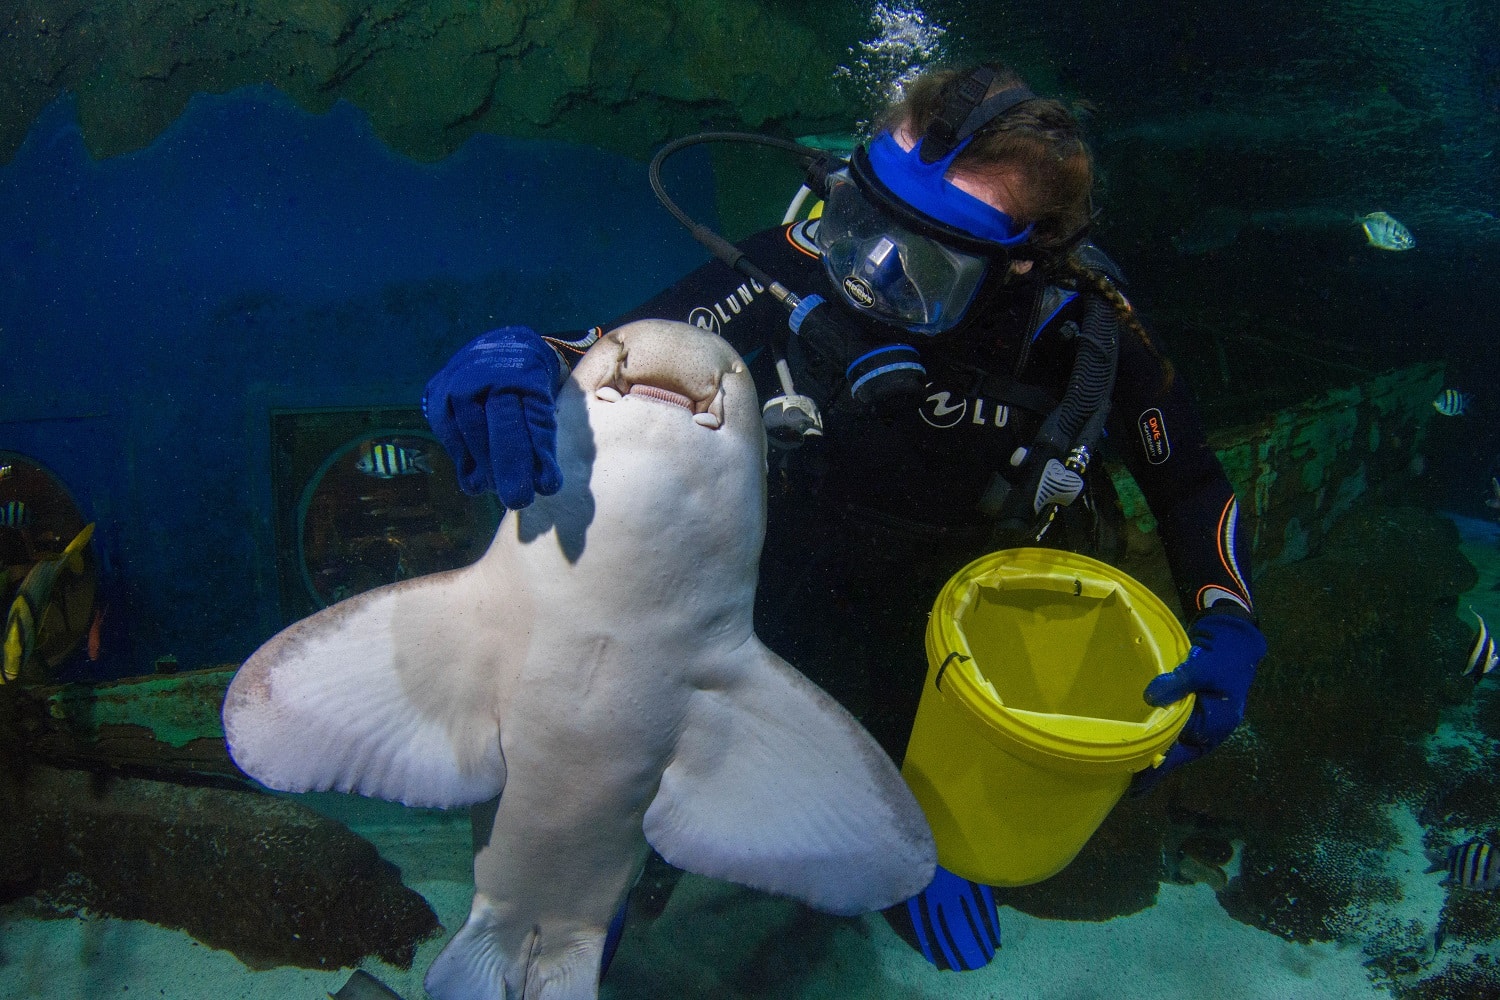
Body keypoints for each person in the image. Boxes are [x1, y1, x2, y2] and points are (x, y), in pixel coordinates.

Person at [421, 63, 1267, 974]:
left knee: (911, 809)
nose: (870, 273)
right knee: (622, 816)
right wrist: (521, 361)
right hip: (765, 584)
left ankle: (903, 832)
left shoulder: (1087, 325)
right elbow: (617, 352)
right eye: (860, 220)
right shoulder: (795, 259)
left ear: (1023, 261)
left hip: (936, 619)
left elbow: (1189, 482)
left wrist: (1228, 617)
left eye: (929, 262)